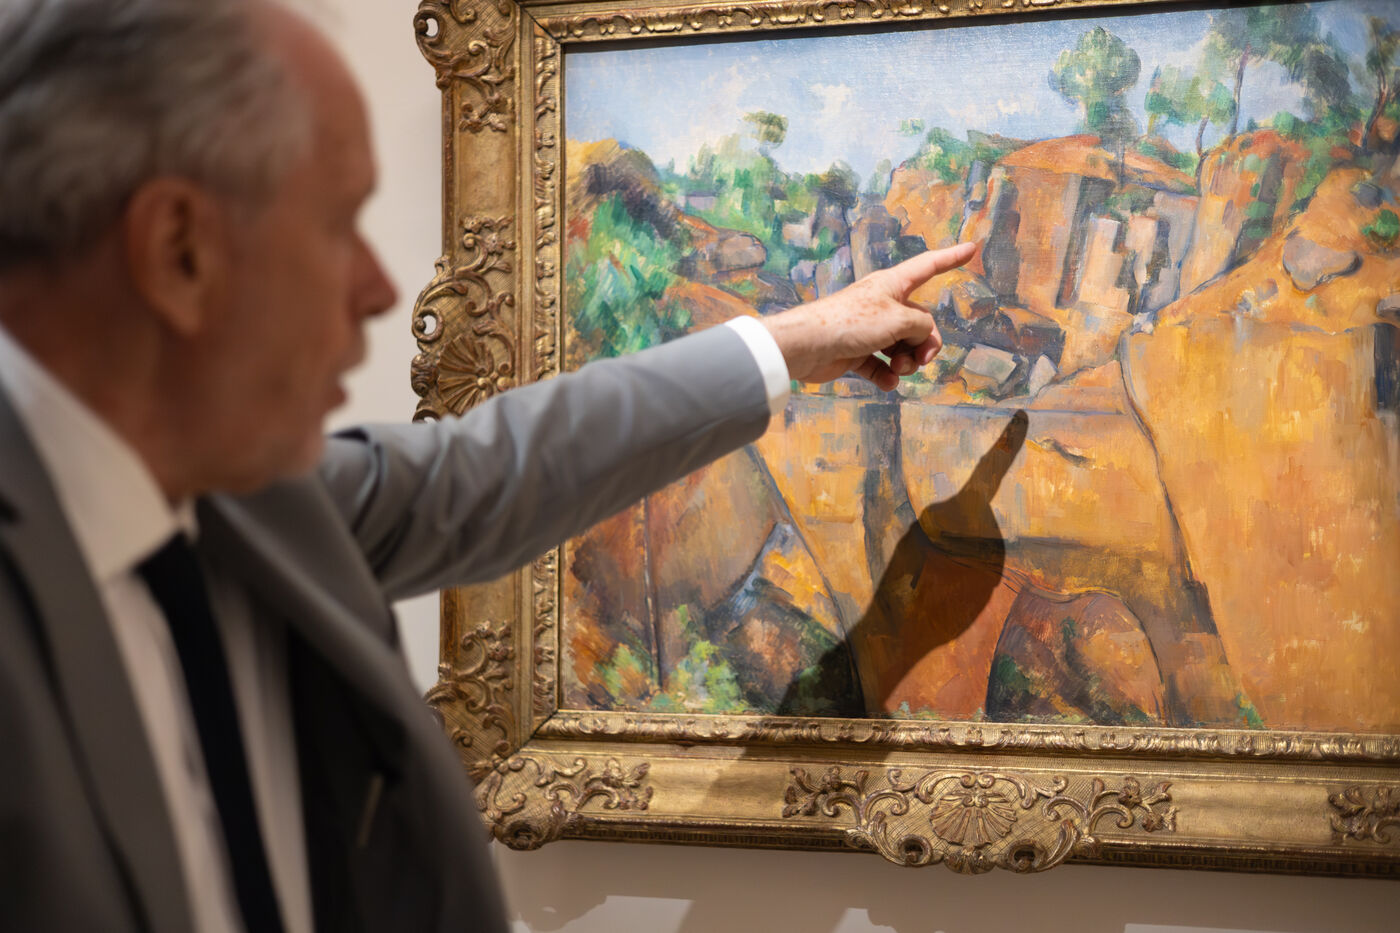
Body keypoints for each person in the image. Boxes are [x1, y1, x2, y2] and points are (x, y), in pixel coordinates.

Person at [0, 0, 975, 930]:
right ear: (178, 250)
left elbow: (498, 467)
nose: (382, 289)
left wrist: (796, 340)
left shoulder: (246, 500)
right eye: (336, 225)